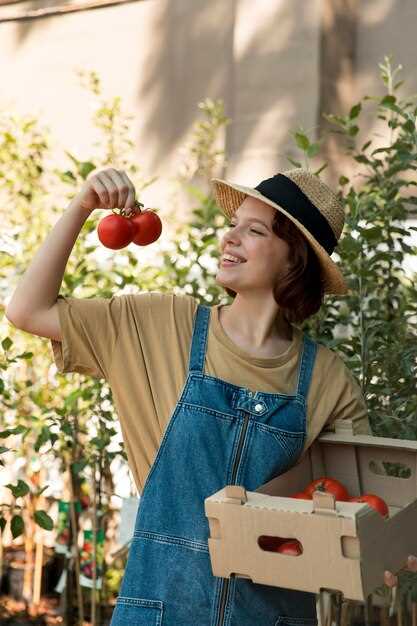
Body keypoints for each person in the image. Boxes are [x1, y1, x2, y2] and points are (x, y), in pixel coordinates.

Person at [5, 167, 416, 624]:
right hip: (159, 609)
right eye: (232, 225)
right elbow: (28, 310)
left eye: (254, 230)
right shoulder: (161, 324)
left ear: (294, 259)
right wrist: (82, 208)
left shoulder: (328, 379)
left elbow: (357, 510)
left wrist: (387, 549)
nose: (230, 239)